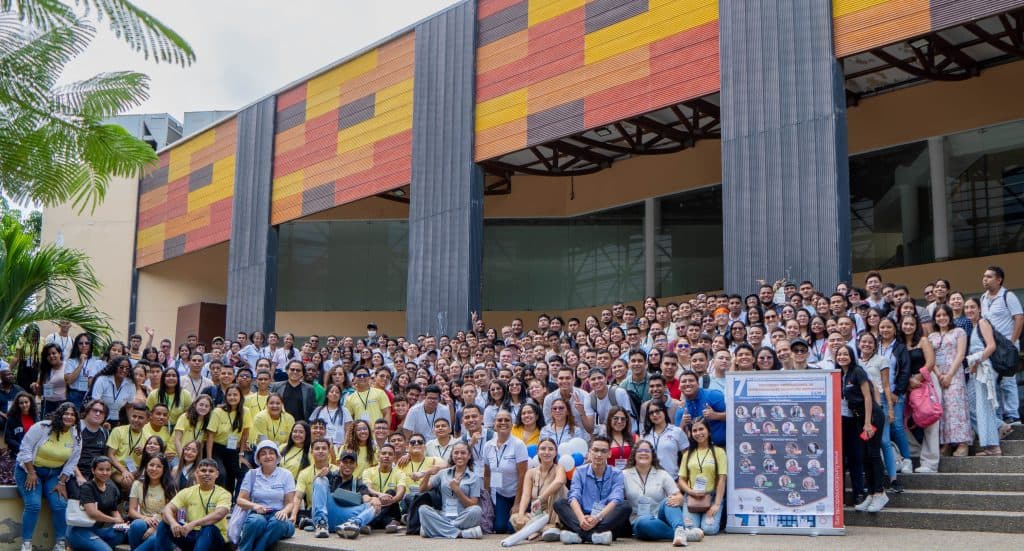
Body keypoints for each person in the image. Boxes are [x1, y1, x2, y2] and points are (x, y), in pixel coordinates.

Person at [15, 402, 81, 551]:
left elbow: (73, 461)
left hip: (54, 475)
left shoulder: (76, 435)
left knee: (60, 505)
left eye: (72, 414)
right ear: (59, 414)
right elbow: (25, 449)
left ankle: (60, 543)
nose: (69, 417)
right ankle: (26, 544)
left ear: (76, 418)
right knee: (33, 504)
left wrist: (62, 482)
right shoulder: (42, 427)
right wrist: (31, 473)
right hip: (29, 471)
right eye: (66, 413)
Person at [136, 459, 231, 551]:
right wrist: (173, 523)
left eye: (211, 471)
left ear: (217, 474)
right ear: (196, 473)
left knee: (208, 528)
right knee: (164, 524)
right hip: (191, 534)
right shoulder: (187, 491)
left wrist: (194, 523)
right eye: (203, 470)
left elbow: (219, 514)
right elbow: (167, 509)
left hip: (215, 541)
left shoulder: (223, 494)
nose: (207, 473)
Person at [553, 436, 631, 545]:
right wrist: (581, 519)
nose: (599, 455)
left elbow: (616, 498)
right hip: (583, 516)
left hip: (605, 517)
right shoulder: (579, 471)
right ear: (589, 452)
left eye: (603, 451)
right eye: (595, 450)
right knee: (560, 503)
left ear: (609, 454)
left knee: (625, 506)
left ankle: (580, 536)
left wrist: (597, 518)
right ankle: (594, 537)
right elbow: (574, 496)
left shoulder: (617, 473)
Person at [837, 345, 887, 513]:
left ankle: (880, 493)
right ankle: (872, 494)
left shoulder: (858, 371)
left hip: (871, 417)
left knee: (873, 454)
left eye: (846, 353)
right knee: (865, 456)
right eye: (839, 354)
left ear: (852, 356)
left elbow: (868, 396)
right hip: (858, 418)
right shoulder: (843, 375)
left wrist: (867, 422)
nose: (842, 356)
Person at [623, 440, 692, 546]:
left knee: (669, 500)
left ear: (652, 455)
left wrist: (678, 498)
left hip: (660, 517)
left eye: (647, 451)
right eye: (640, 450)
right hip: (639, 521)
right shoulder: (624, 474)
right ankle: (687, 534)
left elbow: (679, 497)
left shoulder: (662, 474)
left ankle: (679, 530)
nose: (643, 453)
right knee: (643, 523)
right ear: (634, 454)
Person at [502, 437, 566, 546]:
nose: (546, 452)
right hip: (537, 514)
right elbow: (526, 496)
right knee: (514, 518)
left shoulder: (559, 468)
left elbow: (560, 481)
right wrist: (521, 515)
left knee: (559, 488)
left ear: (556, 453)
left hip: (552, 513)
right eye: (543, 449)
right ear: (538, 452)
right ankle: (542, 531)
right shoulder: (531, 472)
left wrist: (541, 498)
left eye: (551, 449)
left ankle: (544, 529)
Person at [980, 266, 1023, 427]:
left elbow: (1019, 318)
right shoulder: (983, 298)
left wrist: (1012, 342)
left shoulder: (1008, 296)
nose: (985, 279)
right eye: (984, 276)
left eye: (989, 276)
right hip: (992, 347)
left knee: (1008, 381)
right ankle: (1000, 415)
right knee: (993, 381)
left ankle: (1013, 415)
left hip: (1007, 346)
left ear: (999, 280)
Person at [235, 441, 297, 551]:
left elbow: (290, 502)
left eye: (271, 453)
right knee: (256, 521)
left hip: (278, 515)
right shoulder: (252, 474)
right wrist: (254, 506)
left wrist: (284, 511)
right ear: (258, 458)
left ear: (277, 456)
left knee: (277, 523)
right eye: (263, 453)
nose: (268, 456)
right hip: (258, 513)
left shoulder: (286, 474)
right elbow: (240, 500)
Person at [417, 440, 484, 539]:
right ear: (452, 455)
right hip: (444, 515)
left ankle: (436, 529)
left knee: (476, 510)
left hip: (462, 517)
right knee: (423, 509)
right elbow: (422, 490)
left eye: (463, 453)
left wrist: (457, 490)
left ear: (469, 455)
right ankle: (461, 533)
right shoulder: (443, 473)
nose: (459, 456)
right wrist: (427, 474)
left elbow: (472, 504)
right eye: (456, 453)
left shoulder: (474, 478)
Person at [928, 305, 971, 456]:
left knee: (957, 408)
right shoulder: (931, 336)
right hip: (938, 376)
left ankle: (962, 443)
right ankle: (946, 443)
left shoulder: (959, 332)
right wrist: (940, 375)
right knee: (942, 409)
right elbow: (930, 358)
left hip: (955, 374)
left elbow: (960, 354)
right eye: (938, 316)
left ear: (950, 316)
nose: (941, 318)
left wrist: (950, 375)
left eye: (944, 315)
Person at [900, 314, 939, 473]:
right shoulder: (899, 344)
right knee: (902, 422)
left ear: (916, 326)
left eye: (911, 324)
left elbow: (930, 362)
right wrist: (908, 381)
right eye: (905, 323)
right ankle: (915, 451)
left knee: (930, 420)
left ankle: (930, 463)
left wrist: (917, 378)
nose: (908, 326)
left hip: (925, 383)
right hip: (907, 386)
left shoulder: (923, 341)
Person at [964, 297, 1003, 456]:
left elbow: (991, 346)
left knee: (984, 406)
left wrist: (976, 361)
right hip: (976, 370)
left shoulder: (982, 323)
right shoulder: (973, 326)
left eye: (972, 307)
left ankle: (993, 447)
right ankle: (992, 438)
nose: (969, 310)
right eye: (966, 307)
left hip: (983, 369)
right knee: (972, 405)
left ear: (980, 308)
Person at [66, 456, 128, 551]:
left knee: (121, 533)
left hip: (98, 531)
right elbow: (93, 513)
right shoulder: (87, 487)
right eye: (101, 469)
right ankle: (75, 545)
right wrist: (113, 519)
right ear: (93, 470)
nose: (105, 473)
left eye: (108, 470)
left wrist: (121, 523)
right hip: (81, 531)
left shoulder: (112, 489)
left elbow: (114, 510)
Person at [677, 417, 727, 534]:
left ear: (709, 431)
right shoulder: (688, 454)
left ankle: (711, 518)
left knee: (709, 529)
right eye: (694, 431)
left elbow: (722, 479)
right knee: (690, 529)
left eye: (701, 429)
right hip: (692, 497)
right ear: (690, 433)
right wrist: (691, 491)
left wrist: (716, 505)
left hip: (712, 497)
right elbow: (681, 480)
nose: (698, 433)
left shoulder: (719, 452)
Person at [484, 409, 529, 534]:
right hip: (500, 493)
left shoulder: (518, 445)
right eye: (499, 420)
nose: (503, 422)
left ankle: (526, 512)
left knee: (512, 528)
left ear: (512, 424)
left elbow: (523, 475)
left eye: (507, 420)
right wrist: (487, 501)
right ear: (494, 424)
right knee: (499, 528)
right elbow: (487, 474)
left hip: (517, 493)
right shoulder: (488, 446)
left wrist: (517, 503)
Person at [208, 384, 251, 494]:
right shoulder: (218, 411)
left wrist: (241, 454)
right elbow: (210, 436)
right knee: (221, 473)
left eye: (235, 395)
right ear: (226, 397)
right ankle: (220, 500)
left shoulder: (245, 411)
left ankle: (237, 502)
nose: (232, 397)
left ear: (240, 396)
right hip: (217, 449)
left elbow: (245, 434)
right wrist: (209, 458)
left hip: (234, 450)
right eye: (229, 395)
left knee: (244, 473)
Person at [127, 454, 175, 549]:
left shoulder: (170, 486)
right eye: (151, 465)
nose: (154, 469)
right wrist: (144, 518)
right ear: (146, 466)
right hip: (145, 522)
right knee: (137, 525)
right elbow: (131, 511)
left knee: (155, 538)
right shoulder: (138, 484)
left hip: (164, 525)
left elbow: (173, 514)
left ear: (164, 469)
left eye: (158, 466)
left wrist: (155, 528)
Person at [362, 442, 406, 532]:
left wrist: (392, 500)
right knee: (371, 496)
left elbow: (401, 492)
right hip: (373, 506)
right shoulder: (368, 471)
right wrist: (380, 495)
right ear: (378, 456)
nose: (386, 456)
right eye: (384, 453)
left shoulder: (400, 473)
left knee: (391, 492)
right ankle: (391, 523)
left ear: (394, 458)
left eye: (390, 454)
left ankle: (370, 523)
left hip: (392, 507)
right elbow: (368, 489)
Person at [106, 403, 149, 491]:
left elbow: (150, 460)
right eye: (134, 416)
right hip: (118, 470)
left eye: (140, 418)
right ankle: (129, 503)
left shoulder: (148, 437)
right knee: (128, 481)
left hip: (137, 471)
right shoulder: (118, 431)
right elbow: (110, 455)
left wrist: (145, 453)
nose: (136, 420)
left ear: (147, 420)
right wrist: (124, 471)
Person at [642, 403, 687, 479]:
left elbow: (686, 457)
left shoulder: (677, 431)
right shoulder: (645, 436)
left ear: (664, 412)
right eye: (651, 413)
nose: (655, 415)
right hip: (650, 480)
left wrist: (682, 480)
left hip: (672, 479)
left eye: (657, 411)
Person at [90, 356, 136, 427]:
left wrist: (132, 424)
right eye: (121, 367)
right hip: (98, 416)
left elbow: (129, 406)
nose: (124, 370)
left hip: (116, 419)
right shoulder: (102, 380)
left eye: (127, 368)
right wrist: (102, 421)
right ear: (115, 367)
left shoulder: (130, 384)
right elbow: (95, 402)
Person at [173, 394, 214, 460]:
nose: (203, 408)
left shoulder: (207, 422)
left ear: (210, 409)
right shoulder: (185, 417)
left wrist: (198, 461)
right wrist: (182, 459)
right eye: (201, 405)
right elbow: (177, 439)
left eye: (206, 406)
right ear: (195, 405)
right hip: (177, 455)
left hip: (193, 458)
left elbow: (201, 445)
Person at [36, 343, 67, 416]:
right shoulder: (45, 369)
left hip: (62, 404)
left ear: (59, 353)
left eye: (54, 353)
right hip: (47, 404)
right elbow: (39, 391)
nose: (51, 356)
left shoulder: (67, 367)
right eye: (48, 354)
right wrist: (35, 386)